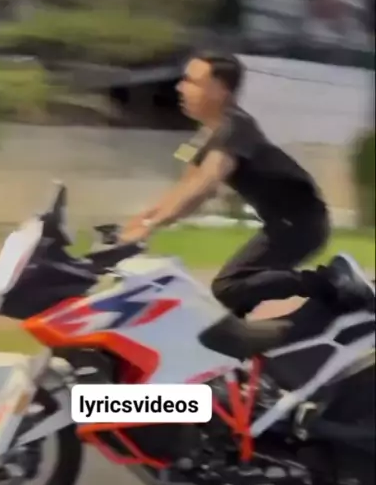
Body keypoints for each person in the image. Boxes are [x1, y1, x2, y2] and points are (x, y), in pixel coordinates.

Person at [120, 51, 373, 315]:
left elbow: (205, 184)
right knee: (231, 300)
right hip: (285, 222)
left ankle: (332, 280)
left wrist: (150, 226)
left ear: (220, 89)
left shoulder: (235, 127)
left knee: (229, 287)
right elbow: (184, 188)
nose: (180, 87)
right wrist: (140, 221)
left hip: (302, 222)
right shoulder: (208, 134)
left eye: (192, 81)